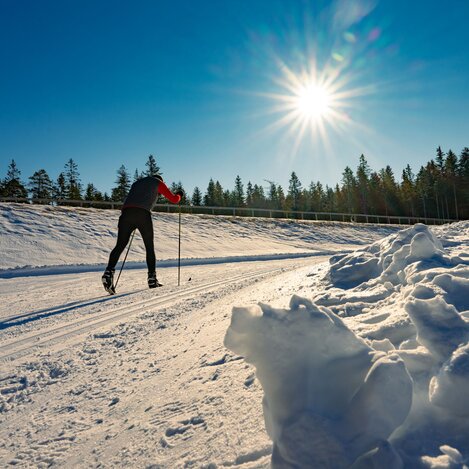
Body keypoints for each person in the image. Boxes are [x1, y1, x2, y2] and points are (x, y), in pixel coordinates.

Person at [102, 174, 183, 292]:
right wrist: (179, 194)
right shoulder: (157, 182)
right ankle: (152, 279)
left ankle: (108, 272)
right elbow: (174, 199)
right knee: (149, 247)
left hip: (126, 214)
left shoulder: (136, 183)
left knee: (120, 245)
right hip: (143, 215)